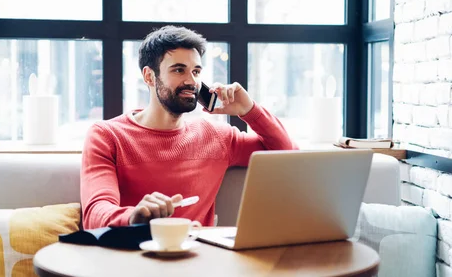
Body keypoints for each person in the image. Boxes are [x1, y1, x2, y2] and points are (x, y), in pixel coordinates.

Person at [80, 25, 297, 229]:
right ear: (149, 76)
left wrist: (249, 110)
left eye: (196, 71)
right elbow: (95, 214)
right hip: (133, 260)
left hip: (198, 259)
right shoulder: (106, 136)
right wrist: (135, 216)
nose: (191, 81)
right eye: (178, 70)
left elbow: (287, 154)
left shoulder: (217, 136)